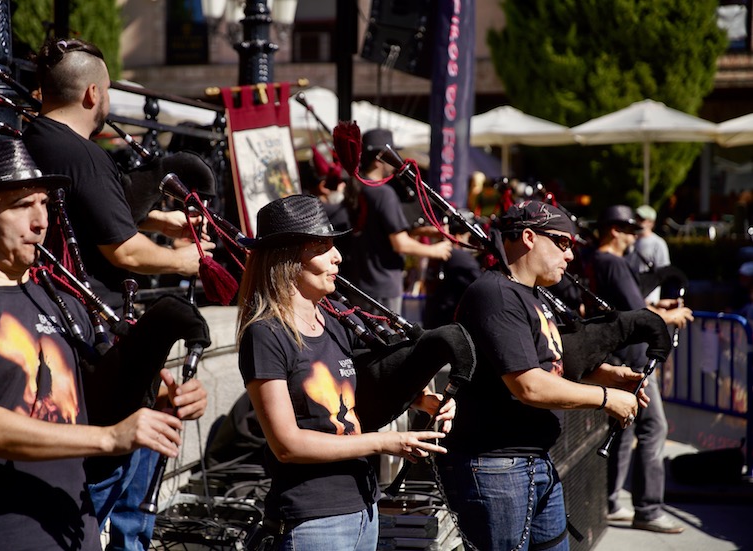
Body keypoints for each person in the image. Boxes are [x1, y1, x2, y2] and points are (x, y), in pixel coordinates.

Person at [0, 138, 205, 550]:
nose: (41, 221)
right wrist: (110, 437)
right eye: (22, 205)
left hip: (74, 532)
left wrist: (163, 396)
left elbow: (93, 396)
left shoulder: (62, 302)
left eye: (43, 203)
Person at [21, 37, 214, 550]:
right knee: (107, 495)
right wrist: (186, 259)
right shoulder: (79, 151)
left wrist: (164, 221)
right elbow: (123, 251)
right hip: (87, 336)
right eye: (107, 92)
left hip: (73, 327)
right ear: (91, 95)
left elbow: (96, 207)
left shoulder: (40, 137)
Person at [236, 194, 455, 550]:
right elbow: (287, 445)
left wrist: (421, 400)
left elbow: (354, 396)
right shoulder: (265, 334)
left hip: (364, 506)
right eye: (323, 247)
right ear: (290, 258)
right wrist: (385, 442)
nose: (337, 256)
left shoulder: (335, 322)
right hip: (312, 519)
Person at [438, 200, 648, 551]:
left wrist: (606, 375)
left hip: (532, 462)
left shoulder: (533, 296)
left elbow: (547, 361)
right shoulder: (495, 294)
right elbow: (529, 385)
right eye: (563, 243)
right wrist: (607, 399)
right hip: (496, 468)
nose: (569, 256)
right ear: (529, 237)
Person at [591, 204, 693, 534]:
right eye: (630, 231)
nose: (634, 238)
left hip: (618, 356)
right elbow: (637, 315)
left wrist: (657, 307)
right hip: (632, 362)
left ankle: (611, 501)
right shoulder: (613, 262)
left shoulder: (598, 261)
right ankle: (648, 509)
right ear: (615, 231)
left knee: (626, 429)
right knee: (654, 427)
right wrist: (670, 316)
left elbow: (629, 307)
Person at [349, 128, 452, 315]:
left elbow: (380, 232)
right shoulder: (384, 194)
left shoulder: (358, 188)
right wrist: (435, 251)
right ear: (381, 158)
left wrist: (424, 232)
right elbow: (399, 243)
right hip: (383, 285)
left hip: (360, 283)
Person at [626, 204, 671, 305]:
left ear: (651, 223)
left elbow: (664, 272)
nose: (638, 222)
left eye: (642, 219)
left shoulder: (658, 243)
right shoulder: (630, 240)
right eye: (636, 218)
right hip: (630, 296)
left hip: (649, 299)